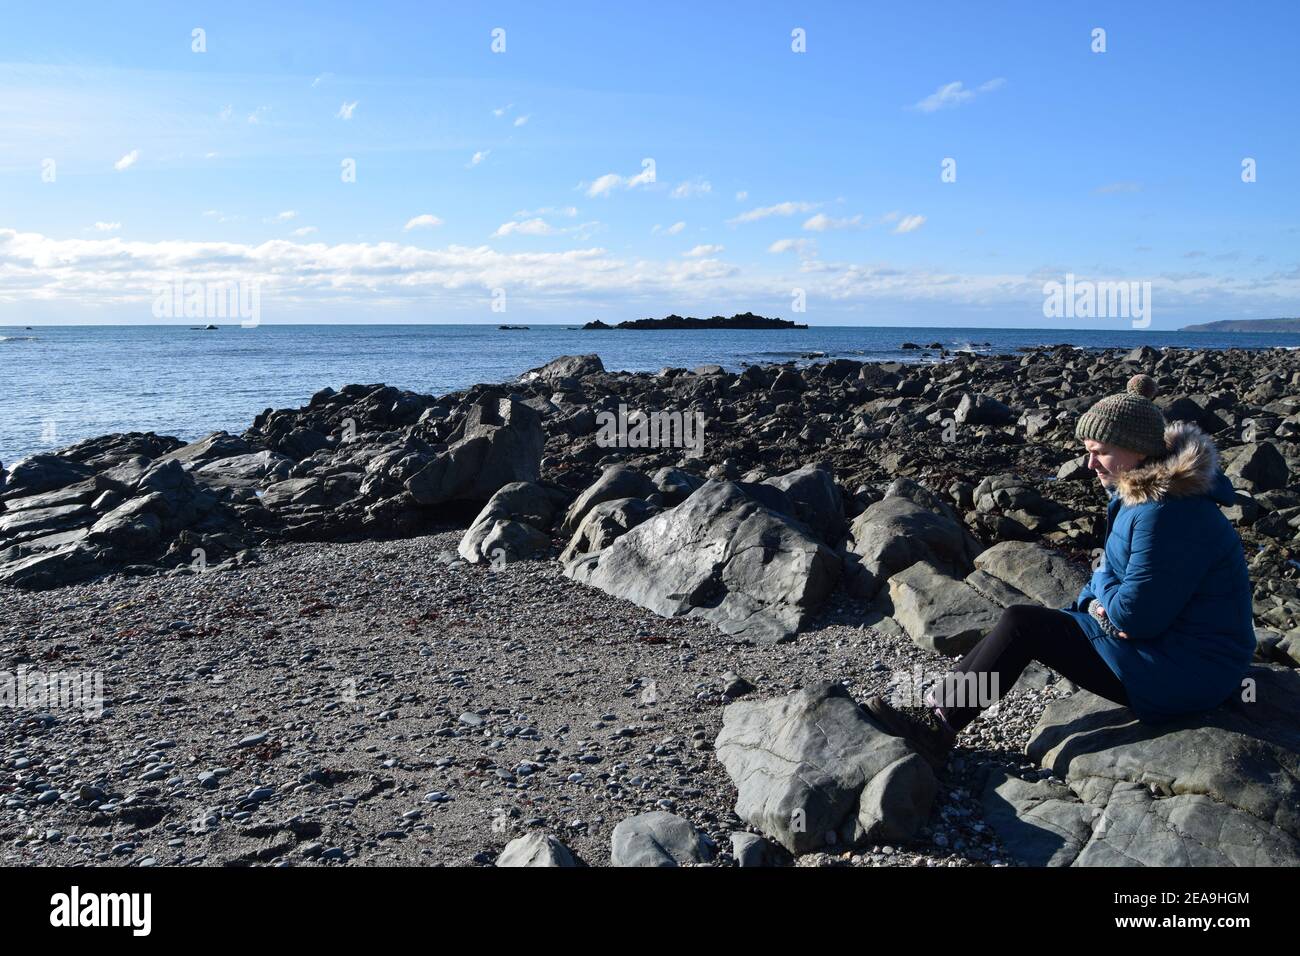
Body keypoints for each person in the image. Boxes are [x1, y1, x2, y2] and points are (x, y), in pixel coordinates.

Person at [863, 374, 1257, 769]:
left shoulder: (1167, 512)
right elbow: (1115, 581)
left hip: (1191, 671)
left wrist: (1104, 600)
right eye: (1088, 451)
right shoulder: (1143, 496)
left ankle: (936, 729)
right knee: (1021, 621)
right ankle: (938, 709)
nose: (1089, 464)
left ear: (1135, 450)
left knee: (1024, 624)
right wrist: (1103, 600)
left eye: (1099, 452)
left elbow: (1136, 617)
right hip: (1170, 650)